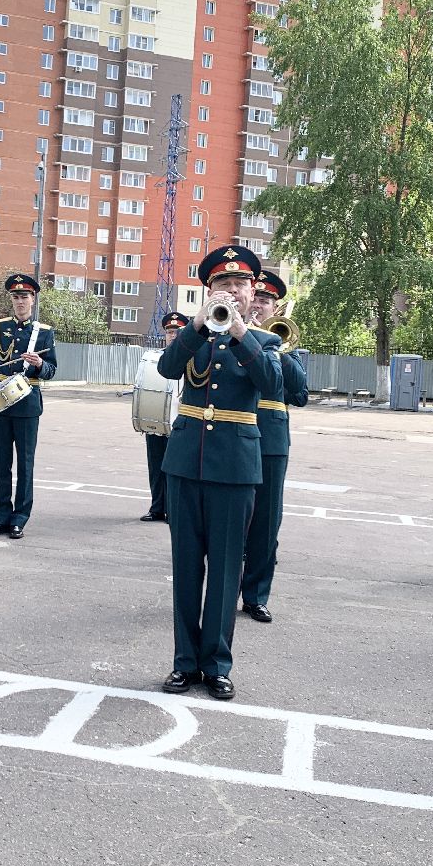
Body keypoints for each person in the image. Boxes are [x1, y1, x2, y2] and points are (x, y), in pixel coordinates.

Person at [158, 246, 283, 701]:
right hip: (186, 463)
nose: (231, 291)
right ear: (208, 291)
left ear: (253, 293)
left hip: (235, 467)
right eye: (222, 285)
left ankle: (216, 665)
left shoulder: (265, 344)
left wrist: (240, 332)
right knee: (186, 568)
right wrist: (195, 326)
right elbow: (167, 368)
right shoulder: (195, 338)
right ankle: (184, 663)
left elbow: (273, 386)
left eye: (239, 285)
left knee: (227, 571)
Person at [240, 271, 309, 624]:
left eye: (266, 301)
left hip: (272, 441)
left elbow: (300, 395)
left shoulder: (287, 346)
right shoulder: (231, 335)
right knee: (234, 518)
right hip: (235, 433)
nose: (259, 305)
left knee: (266, 522)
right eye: (257, 298)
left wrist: (275, 348)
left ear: (276, 307)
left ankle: (255, 595)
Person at [0, 273, 57, 540]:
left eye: (24, 296)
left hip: (28, 402)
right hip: (3, 401)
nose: (20, 301)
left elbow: (52, 370)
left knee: (25, 463)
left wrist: (39, 364)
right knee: (2, 462)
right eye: (15, 297)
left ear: (33, 298)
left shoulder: (44, 332)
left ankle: (20, 518)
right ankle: (1, 517)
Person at [140, 311, 188, 523]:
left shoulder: (191, 357)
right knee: (156, 465)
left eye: (177, 331)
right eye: (169, 331)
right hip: (157, 417)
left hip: (180, 421)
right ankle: (157, 508)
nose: (173, 335)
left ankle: (174, 510)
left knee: (176, 468)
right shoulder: (156, 357)